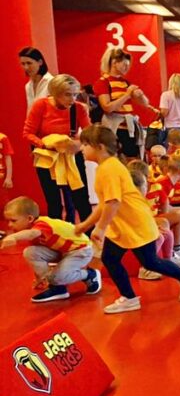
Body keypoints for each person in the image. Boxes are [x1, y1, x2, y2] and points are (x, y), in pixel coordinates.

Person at [74, 126, 180, 314]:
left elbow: (113, 202)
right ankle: (130, 298)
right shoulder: (106, 167)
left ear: (99, 147)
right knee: (111, 258)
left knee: (150, 262)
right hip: (125, 227)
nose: (82, 149)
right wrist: (86, 225)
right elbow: (105, 203)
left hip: (135, 225)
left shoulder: (109, 169)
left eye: (85, 144)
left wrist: (99, 228)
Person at [2, 195, 101, 303]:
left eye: (13, 220)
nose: (10, 225)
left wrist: (13, 237)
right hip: (63, 251)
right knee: (30, 252)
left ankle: (89, 275)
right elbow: (37, 251)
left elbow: (32, 233)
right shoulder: (31, 229)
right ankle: (56, 287)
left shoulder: (42, 224)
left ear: (30, 218)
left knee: (58, 277)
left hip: (80, 250)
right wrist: (39, 277)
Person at [23, 74, 92, 222]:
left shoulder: (79, 108)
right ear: (55, 93)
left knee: (81, 198)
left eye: (75, 94)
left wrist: (78, 144)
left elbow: (89, 134)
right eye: (67, 95)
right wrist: (45, 144)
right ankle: (56, 235)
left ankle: (88, 235)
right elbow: (27, 133)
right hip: (47, 158)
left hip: (71, 156)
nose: (72, 99)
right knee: (53, 200)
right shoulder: (41, 105)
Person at [126, 162, 180, 280]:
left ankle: (168, 261)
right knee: (159, 236)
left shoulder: (141, 198)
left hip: (146, 226)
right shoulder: (129, 200)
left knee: (167, 233)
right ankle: (145, 268)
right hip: (133, 231)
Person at [95, 47, 149, 159]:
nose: (127, 68)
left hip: (130, 128)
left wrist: (140, 95)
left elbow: (145, 104)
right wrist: (127, 95)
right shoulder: (103, 82)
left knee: (133, 159)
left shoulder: (125, 83)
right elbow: (107, 107)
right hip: (114, 128)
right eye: (124, 65)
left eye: (128, 65)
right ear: (114, 63)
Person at [156, 73, 180, 150]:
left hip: (170, 129)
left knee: (171, 154)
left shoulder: (166, 95)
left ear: (170, 82)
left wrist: (158, 115)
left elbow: (164, 112)